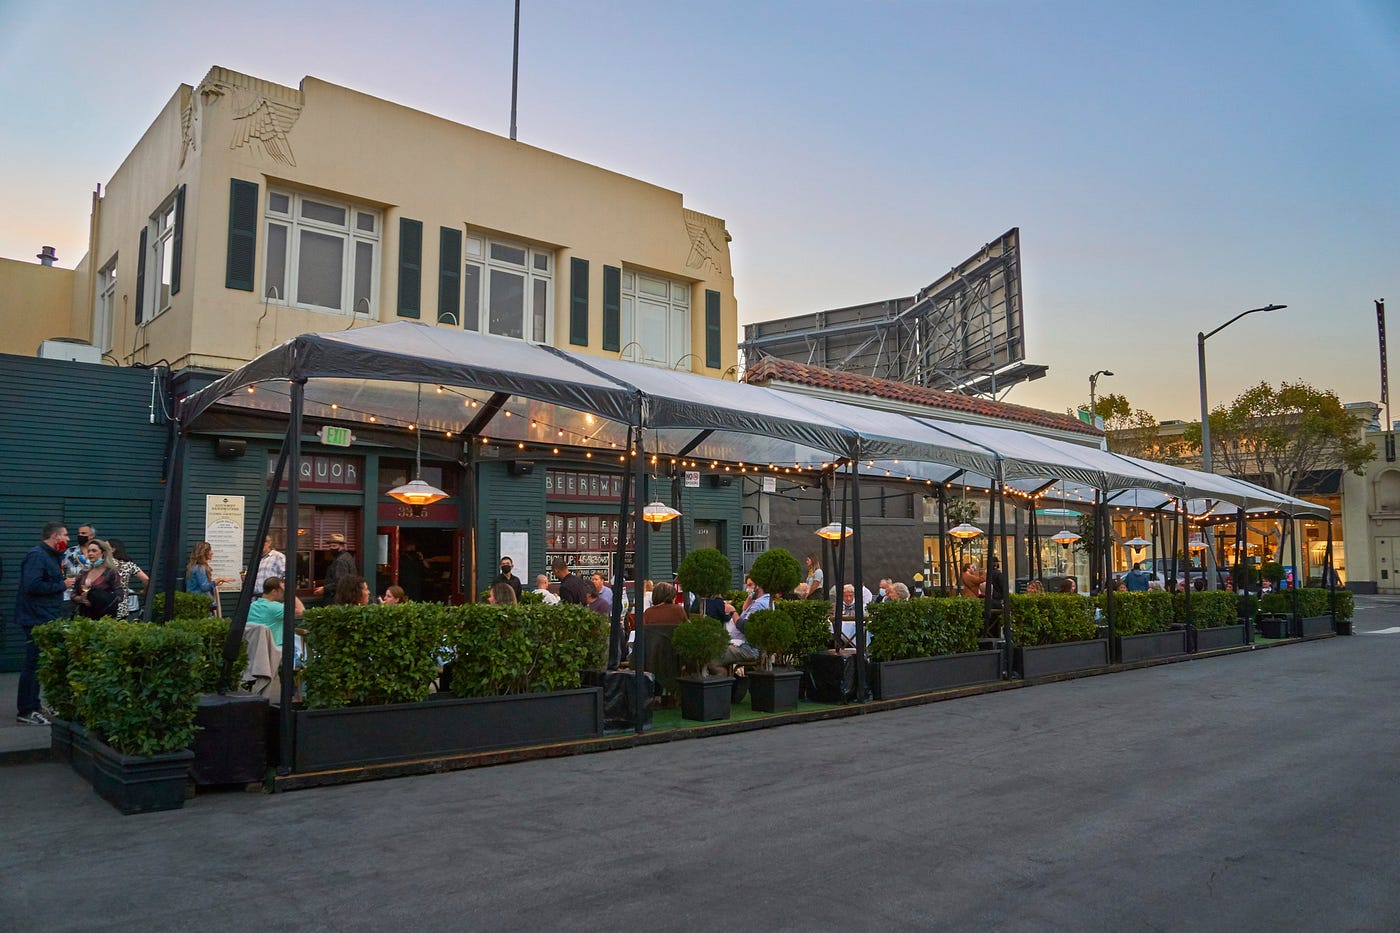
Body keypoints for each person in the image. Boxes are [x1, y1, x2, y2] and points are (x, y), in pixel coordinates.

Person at [13, 523, 68, 725]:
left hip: (46, 616)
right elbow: (32, 585)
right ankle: (26, 710)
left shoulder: (52, 556)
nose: (68, 539)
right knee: (33, 664)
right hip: (36, 618)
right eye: (65, 535)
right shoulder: (37, 556)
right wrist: (62, 585)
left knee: (39, 664)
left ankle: (34, 705)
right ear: (55, 536)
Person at [710, 580, 769, 673]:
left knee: (712, 659)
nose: (747, 588)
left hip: (747, 648)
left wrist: (732, 612)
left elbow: (745, 627)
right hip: (742, 644)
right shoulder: (759, 601)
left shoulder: (759, 604)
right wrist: (750, 597)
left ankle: (726, 683)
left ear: (758, 586)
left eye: (750, 585)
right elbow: (744, 608)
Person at [247, 577, 305, 647]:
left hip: (256, 649)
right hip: (276, 651)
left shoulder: (252, 606)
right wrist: (290, 592)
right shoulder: (275, 607)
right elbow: (302, 612)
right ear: (274, 592)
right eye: (283, 591)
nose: (284, 594)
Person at [72, 539, 121, 620]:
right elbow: (73, 594)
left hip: (103, 617)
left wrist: (98, 599)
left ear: (103, 554)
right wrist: (81, 599)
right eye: (89, 551)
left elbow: (119, 596)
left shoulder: (111, 572)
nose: (90, 554)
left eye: (94, 551)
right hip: (83, 616)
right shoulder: (83, 572)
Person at [107, 537, 149, 620]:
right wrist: (144, 591)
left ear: (113, 549)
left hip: (105, 603)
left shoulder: (104, 564)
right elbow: (146, 579)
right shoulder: (129, 565)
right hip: (122, 605)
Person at [186, 541, 233, 614]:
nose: (212, 552)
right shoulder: (200, 568)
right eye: (210, 550)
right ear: (204, 553)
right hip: (201, 603)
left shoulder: (193, 567)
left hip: (195, 602)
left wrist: (215, 583)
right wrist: (219, 580)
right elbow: (204, 587)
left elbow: (198, 585)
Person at [60, 523, 95, 618]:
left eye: (83, 533)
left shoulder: (98, 553)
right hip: (69, 596)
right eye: (79, 533)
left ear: (91, 536)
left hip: (90, 597)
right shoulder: (70, 552)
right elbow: (61, 569)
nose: (80, 535)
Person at [314, 533, 357, 606]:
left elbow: (340, 582)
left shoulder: (340, 560)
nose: (331, 548)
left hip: (336, 599)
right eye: (330, 546)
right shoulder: (347, 556)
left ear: (342, 546)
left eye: (334, 546)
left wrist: (324, 589)